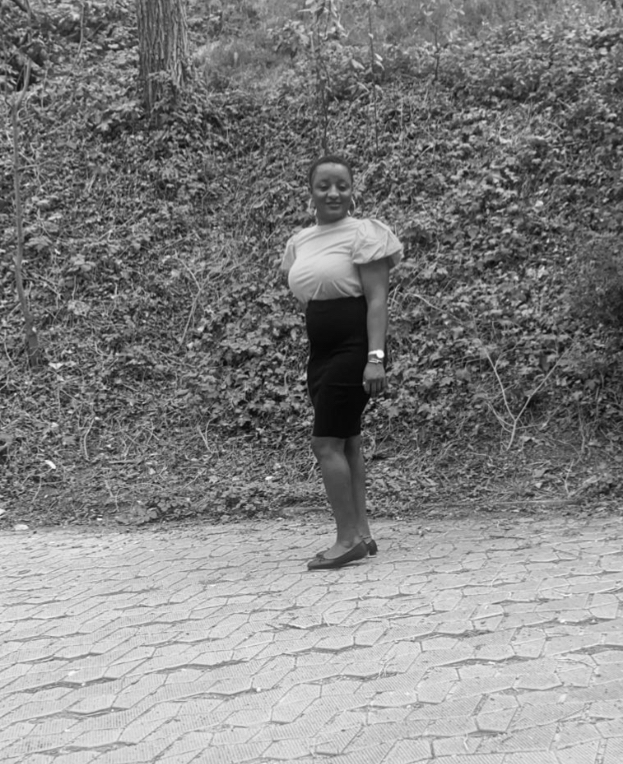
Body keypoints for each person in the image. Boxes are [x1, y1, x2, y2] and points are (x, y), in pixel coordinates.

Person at [281, 155, 403, 570]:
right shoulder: (300, 242)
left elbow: (377, 301)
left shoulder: (366, 233)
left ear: (352, 191)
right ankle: (362, 534)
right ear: (311, 192)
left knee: (325, 443)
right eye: (324, 186)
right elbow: (308, 294)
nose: (333, 193)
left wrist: (375, 358)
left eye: (342, 185)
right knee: (347, 440)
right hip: (321, 351)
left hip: (356, 347)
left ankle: (346, 539)